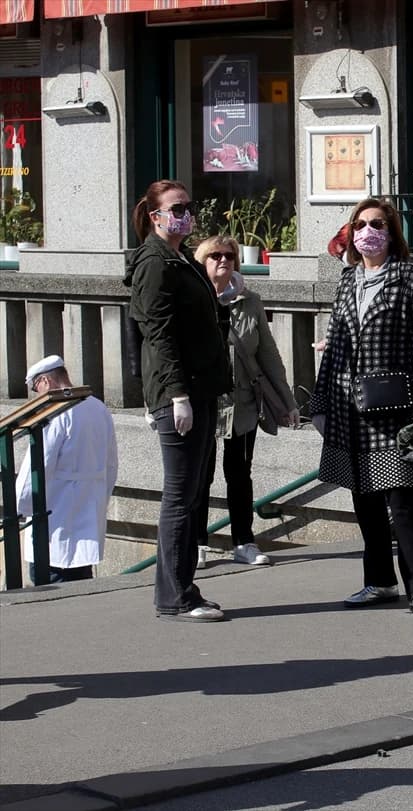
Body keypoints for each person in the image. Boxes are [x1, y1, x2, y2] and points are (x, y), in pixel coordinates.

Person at [308, 198, 413, 618]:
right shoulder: (347, 280)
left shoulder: (408, 278)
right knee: (363, 498)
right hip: (350, 407)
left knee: (401, 500)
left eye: (378, 223)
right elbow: (333, 343)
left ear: (391, 231)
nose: (369, 231)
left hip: (392, 408)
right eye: (361, 224)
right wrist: (321, 402)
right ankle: (379, 581)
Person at [124, 179, 233, 622]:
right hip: (179, 390)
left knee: (193, 492)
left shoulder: (181, 257)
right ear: (155, 216)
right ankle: (174, 594)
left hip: (200, 386)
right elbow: (159, 333)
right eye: (176, 207)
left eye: (187, 206)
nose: (185, 214)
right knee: (180, 493)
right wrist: (177, 395)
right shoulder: (155, 262)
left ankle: (183, 585)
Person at [193, 235, 300, 567]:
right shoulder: (192, 300)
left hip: (242, 404)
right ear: (202, 262)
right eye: (215, 256)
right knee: (200, 475)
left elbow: (267, 354)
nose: (223, 261)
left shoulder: (250, 301)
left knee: (239, 474)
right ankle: (195, 543)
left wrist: (288, 401)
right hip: (205, 403)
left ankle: (244, 542)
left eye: (229, 256)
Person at [15, 355, 118, 584]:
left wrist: (19, 506)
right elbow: (111, 464)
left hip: (55, 517)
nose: (37, 394)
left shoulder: (53, 412)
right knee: (81, 583)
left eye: (36, 388)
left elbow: (38, 463)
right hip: (89, 511)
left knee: (51, 585)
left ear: (45, 382)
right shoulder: (98, 407)